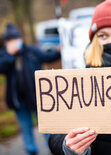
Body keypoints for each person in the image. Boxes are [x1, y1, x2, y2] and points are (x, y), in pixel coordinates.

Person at [48, 0, 111, 155]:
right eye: (103, 35)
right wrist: (68, 145)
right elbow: (56, 135)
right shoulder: (80, 84)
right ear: (95, 40)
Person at [0, 23, 61, 155]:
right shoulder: (4, 55)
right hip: (18, 100)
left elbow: (47, 56)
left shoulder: (31, 50)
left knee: (46, 126)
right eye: (10, 40)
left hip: (38, 97)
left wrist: (58, 50)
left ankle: (53, 148)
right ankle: (31, 150)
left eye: (16, 39)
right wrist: (10, 54)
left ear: (20, 39)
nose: (14, 42)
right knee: (25, 127)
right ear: (6, 43)